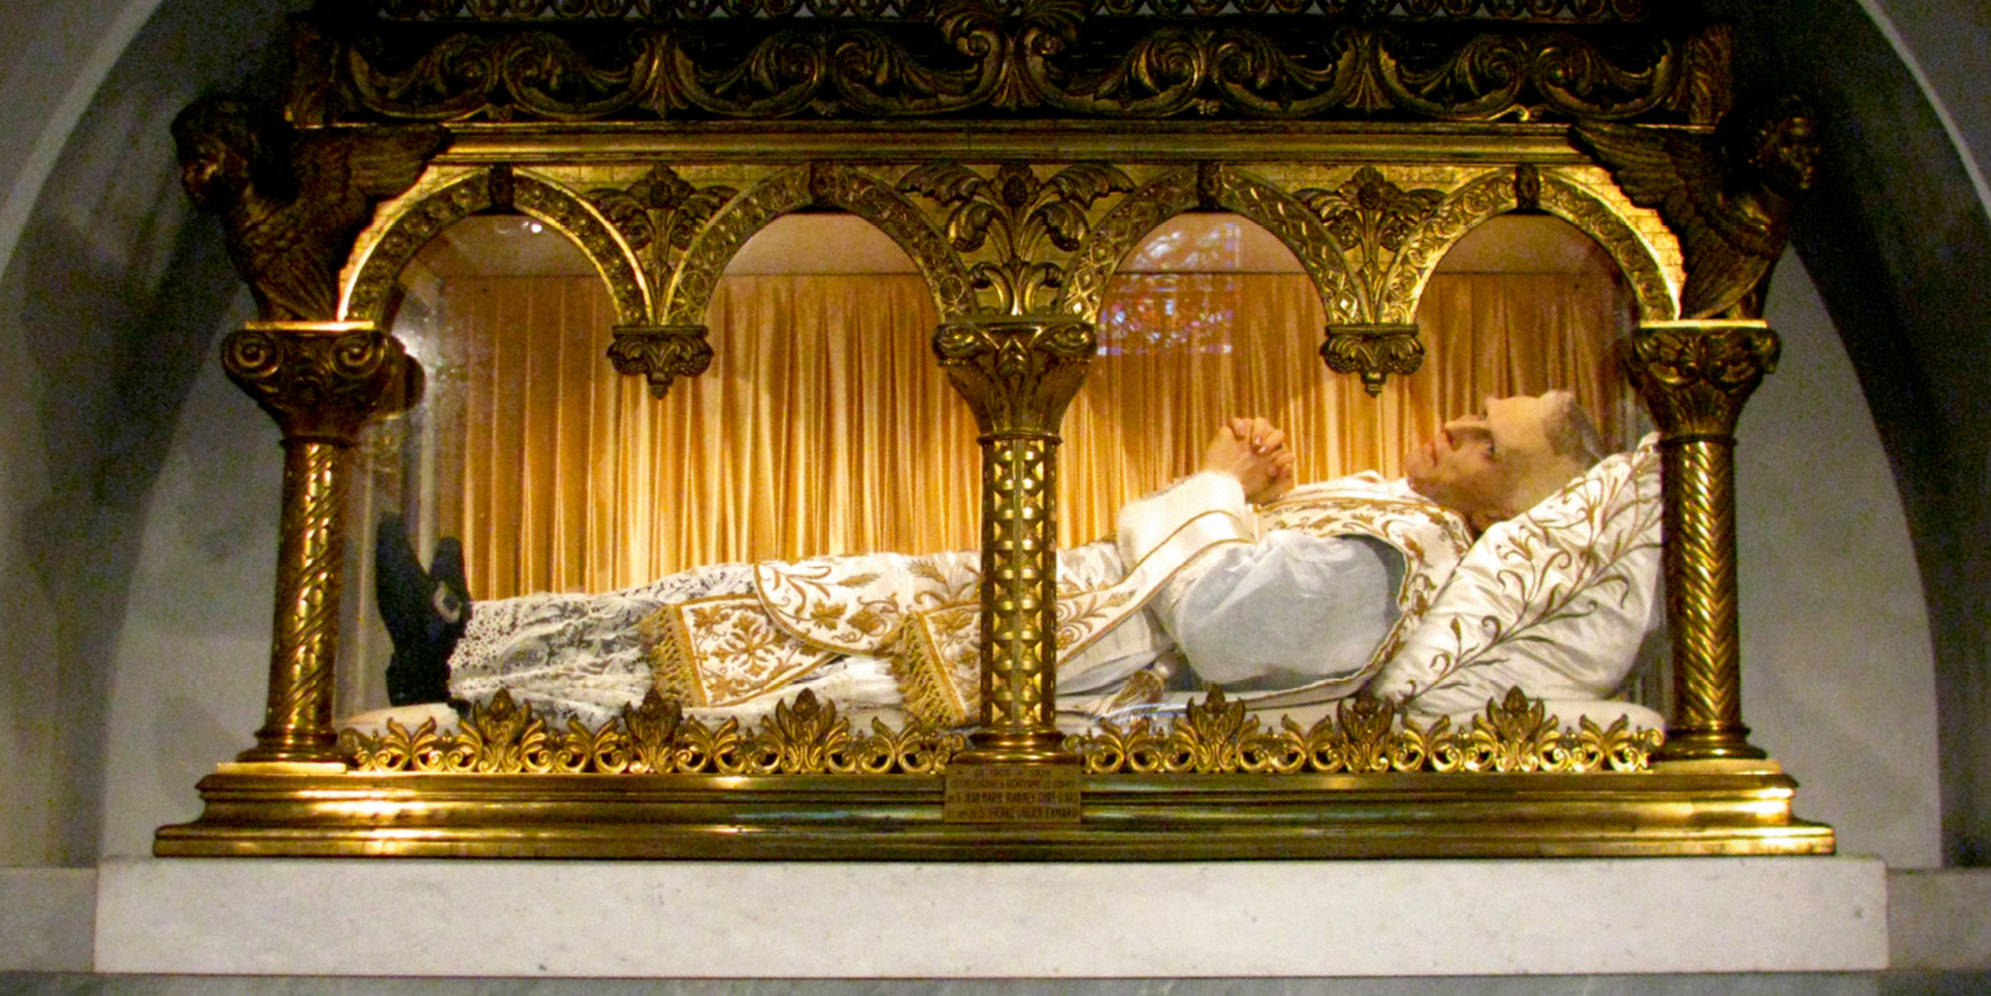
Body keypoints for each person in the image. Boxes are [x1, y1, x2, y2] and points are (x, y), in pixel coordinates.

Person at [379, 392, 1605, 727]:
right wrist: (1239, 497)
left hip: (1044, 669)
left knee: (742, 648)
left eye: (1483, 440)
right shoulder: (1384, 528)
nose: (1450, 430)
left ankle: (467, 674)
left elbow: (1229, 628)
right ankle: (474, 627)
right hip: (1035, 620)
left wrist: (1219, 489)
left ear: (1520, 499)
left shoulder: (1389, 555)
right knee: (752, 589)